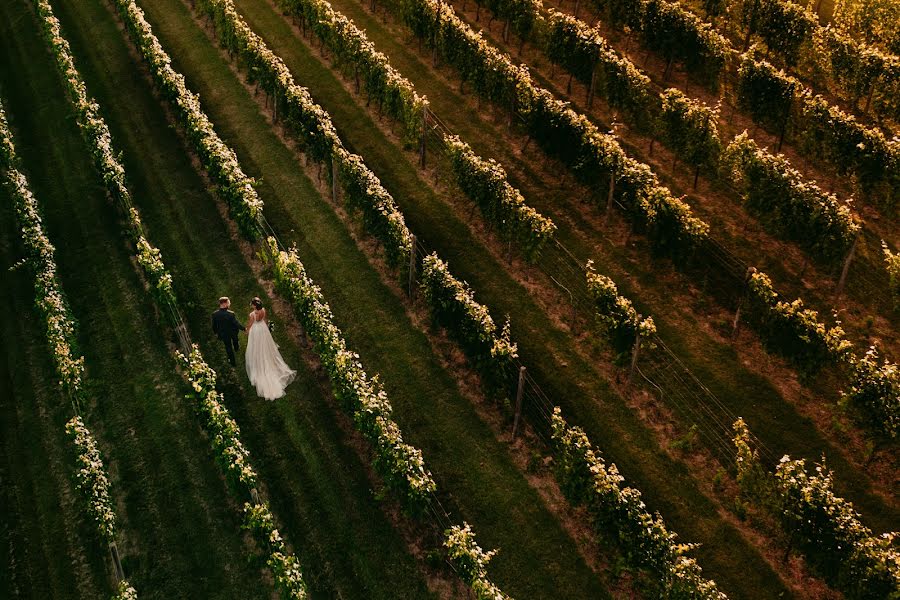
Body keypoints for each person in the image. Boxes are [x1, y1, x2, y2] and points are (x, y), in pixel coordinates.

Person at [245, 297, 296, 400]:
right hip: (263, 328)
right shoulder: (263, 310)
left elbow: (250, 324)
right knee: (265, 344)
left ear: (255, 305)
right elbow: (265, 319)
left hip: (256, 330)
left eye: (252, 304)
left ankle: (258, 358)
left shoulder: (252, 315)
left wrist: (247, 330)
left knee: (256, 345)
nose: (251, 305)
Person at [212, 296, 245, 367]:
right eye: (228, 303)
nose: (229, 304)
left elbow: (214, 325)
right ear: (224, 304)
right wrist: (243, 328)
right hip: (233, 332)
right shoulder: (231, 314)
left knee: (228, 347)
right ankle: (236, 348)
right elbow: (236, 323)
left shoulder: (215, 314)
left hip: (223, 334)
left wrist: (216, 333)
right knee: (235, 340)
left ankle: (233, 363)